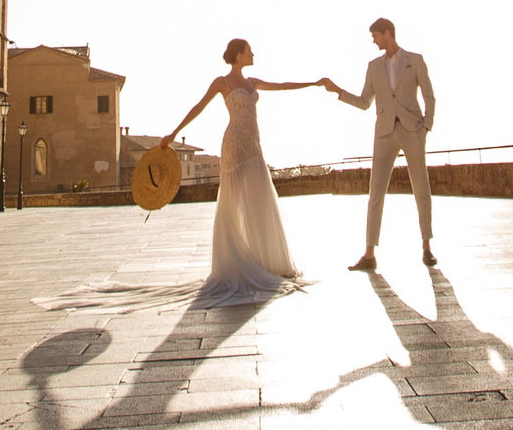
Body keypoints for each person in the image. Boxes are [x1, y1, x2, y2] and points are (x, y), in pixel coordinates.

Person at [159, 39, 332, 305]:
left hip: (253, 145)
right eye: (250, 50)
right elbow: (199, 106)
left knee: (261, 202)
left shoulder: (252, 82)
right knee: (233, 203)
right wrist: (172, 134)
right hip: (234, 145)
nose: (254, 54)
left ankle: (266, 260)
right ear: (239, 55)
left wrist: (313, 83)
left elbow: (283, 85)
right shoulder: (222, 82)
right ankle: (234, 264)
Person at [322, 16, 435, 271]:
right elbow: (364, 102)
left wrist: (426, 127)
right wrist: (337, 91)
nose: (373, 41)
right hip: (384, 134)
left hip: (412, 130)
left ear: (387, 33)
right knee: (376, 193)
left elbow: (429, 95)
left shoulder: (414, 60)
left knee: (421, 188)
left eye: (375, 36)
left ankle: (427, 248)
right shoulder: (373, 66)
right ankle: (369, 255)